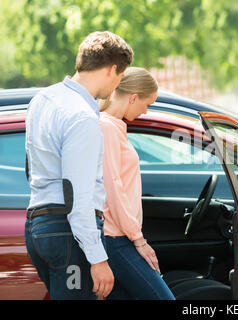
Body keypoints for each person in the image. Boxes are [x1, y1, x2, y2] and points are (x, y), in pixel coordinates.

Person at [24, 31, 133, 300]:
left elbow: (31, 166)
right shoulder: (82, 116)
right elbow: (77, 193)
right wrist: (97, 258)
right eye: (120, 77)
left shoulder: (42, 100)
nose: (118, 84)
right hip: (67, 232)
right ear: (112, 69)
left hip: (37, 226)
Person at [98, 67, 175, 300]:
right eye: (147, 104)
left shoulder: (114, 127)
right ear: (133, 97)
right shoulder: (106, 128)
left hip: (119, 237)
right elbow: (113, 190)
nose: (145, 111)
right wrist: (139, 240)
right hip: (115, 239)